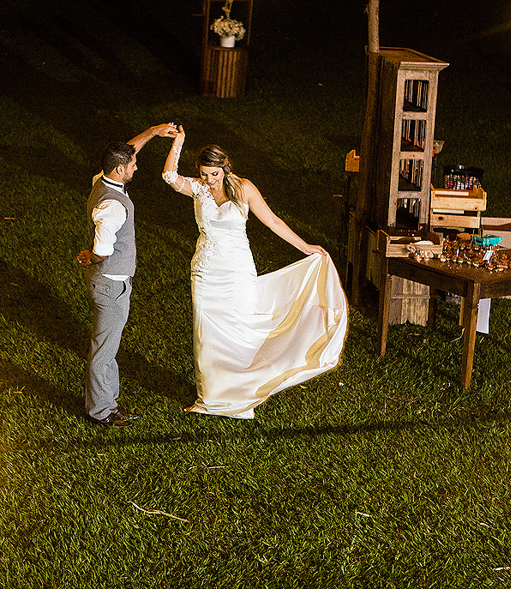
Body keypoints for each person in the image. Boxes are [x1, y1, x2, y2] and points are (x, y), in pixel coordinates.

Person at [162, 127, 348, 419]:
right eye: (204, 174)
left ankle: (243, 386)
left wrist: (305, 246)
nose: (210, 181)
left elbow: (273, 221)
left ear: (225, 169)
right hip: (206, 271)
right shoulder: (197, 188)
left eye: (214, 174)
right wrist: (179, 142)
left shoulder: (244, 188)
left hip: (237, 271)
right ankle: (210, 397)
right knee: (207, 336)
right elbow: (169, 177)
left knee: (242, 328)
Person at [77, 123, 178, 428]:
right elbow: (103, 248)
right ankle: (100, 411)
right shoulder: (112, 206)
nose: (137, 165)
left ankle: (109, 403)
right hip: (110, 285)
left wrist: (152, 132)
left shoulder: (103, 180)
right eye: (132, 164)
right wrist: (90, 257)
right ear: (120, 170)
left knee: (109, 347)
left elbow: (128, 151)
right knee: (103, 351)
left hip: (112, 283)